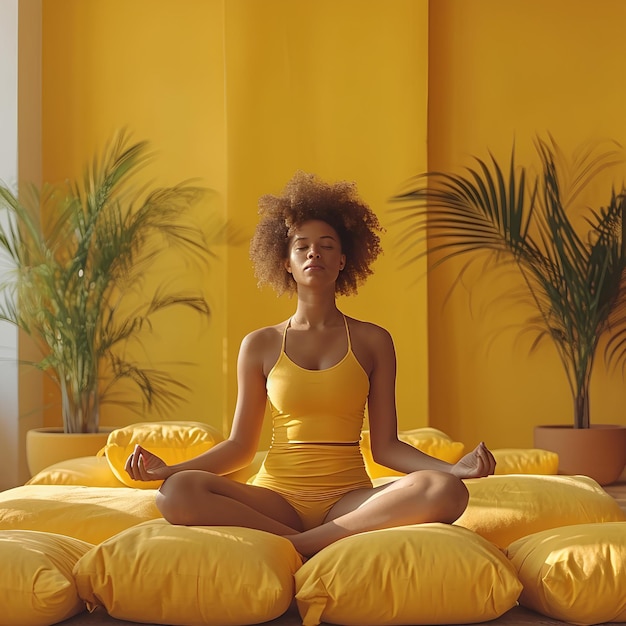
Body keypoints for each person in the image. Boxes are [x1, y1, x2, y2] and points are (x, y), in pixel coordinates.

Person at [125, 171, 496, 557]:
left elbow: (386, 447)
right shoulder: (260, 344)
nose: (313, 253)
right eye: (301, 247)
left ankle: (295, 545)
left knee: (446, 491)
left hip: (349, 500)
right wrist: (169, 471)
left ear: (343, 260)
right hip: (275, 500)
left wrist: (453, 470)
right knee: (176, 493)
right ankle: (311, 542)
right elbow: (239, 447)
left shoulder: (373, 341)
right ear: (285, 262)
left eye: (326, 245)